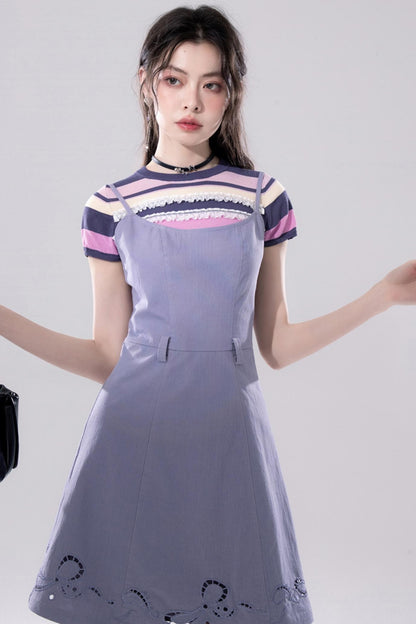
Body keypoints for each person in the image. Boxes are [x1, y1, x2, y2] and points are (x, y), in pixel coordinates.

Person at [1, 5, 415, 624]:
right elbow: (106, 356)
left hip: (229, 433)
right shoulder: (109, 206)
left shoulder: (262, 196)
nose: (191, 100)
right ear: (147, 83)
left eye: (211, 83)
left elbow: (276, 345)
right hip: (134, 430)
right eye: (174, 79)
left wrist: (382, 295)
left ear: (231, 94)